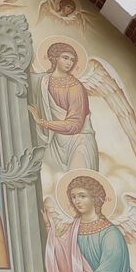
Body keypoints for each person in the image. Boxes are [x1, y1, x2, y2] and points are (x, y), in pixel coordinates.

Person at [29, 42, 99, 177]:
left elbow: (75, 125)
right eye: (65, 57)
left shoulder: (75, 87)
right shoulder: (42, 80)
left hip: (78, 144)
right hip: (53, 141)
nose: (69, 63)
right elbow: (24, 77)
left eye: (72, 60)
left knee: (76, 182)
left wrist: (43, 122)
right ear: (54, 58)